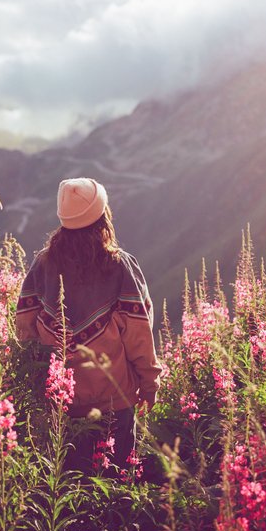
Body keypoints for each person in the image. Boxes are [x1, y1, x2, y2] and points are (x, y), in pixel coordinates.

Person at [15, 177, 161, 473]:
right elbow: (139, 333)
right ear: (103, 218)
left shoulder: (42, 266)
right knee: (118, 482)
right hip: (114, 403)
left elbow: (24, 329)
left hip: (60, 406)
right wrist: (149, 383)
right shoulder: (120, 267)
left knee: (69, 485)